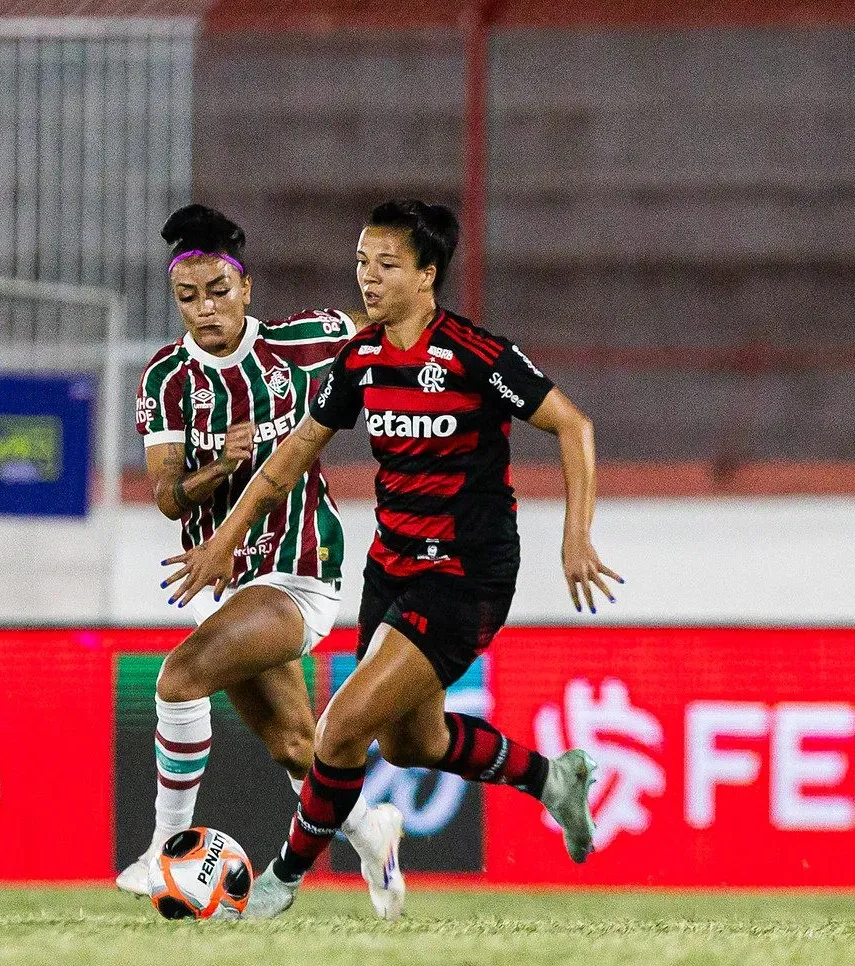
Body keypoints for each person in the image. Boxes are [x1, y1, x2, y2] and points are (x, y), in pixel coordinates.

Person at [163, 199, 622, 919]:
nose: (368, 279)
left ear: (427, 274)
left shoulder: (473, 353)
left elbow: (573, 424)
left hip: (467, 574)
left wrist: (577, 536)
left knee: (340, 727)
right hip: (395, 567)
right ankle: (551, 780)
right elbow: (293, 456)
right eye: (360, 264)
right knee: (414, 742)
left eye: (386, 265)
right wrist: (222, 540)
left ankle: (281, 879)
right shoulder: (363, 357)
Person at [122, 203, 407, 918]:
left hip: (298, 571)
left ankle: (164, 849)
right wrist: (220, 466)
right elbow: (165, 496)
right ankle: (373, 832)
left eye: (218, 290)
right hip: (219, 583)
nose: (204, 308)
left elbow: (391, 328)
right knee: (291, 743)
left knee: (180, 678)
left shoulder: (308, 342)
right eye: (187, 297)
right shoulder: (166, 379)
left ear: (246, 289)